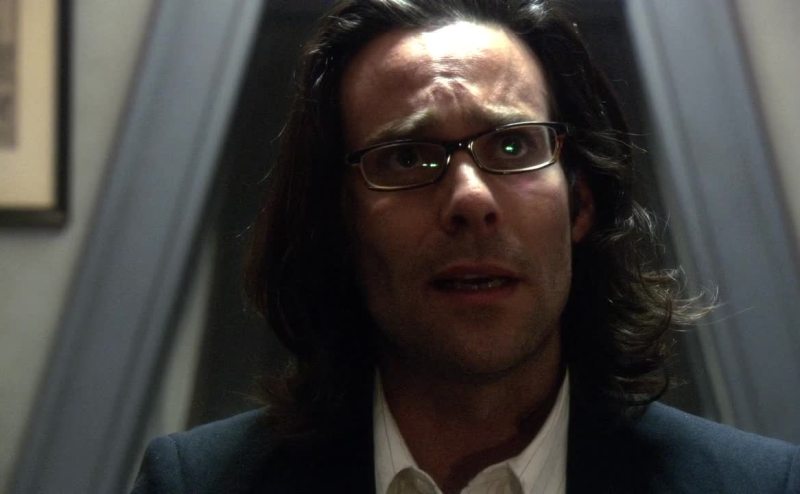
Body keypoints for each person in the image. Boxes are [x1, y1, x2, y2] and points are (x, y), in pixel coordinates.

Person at [132, 0, 800, 492]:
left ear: (580, 203)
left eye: (512, 146)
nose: (471, 199)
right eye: (407, 156)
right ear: (338, 222)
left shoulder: (760, 485)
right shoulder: (196, 483)